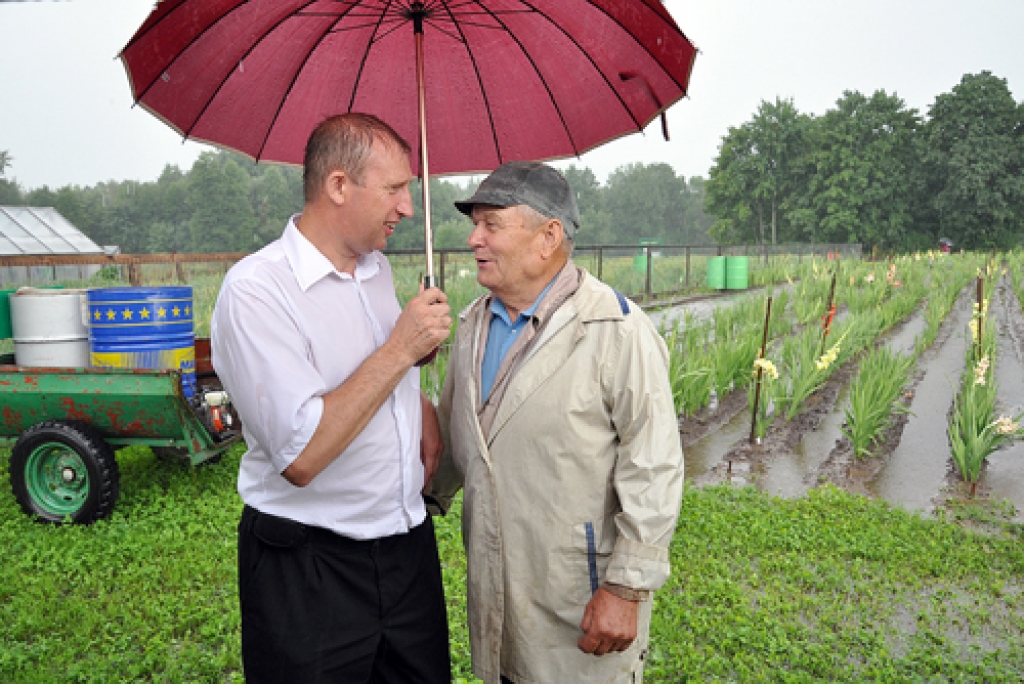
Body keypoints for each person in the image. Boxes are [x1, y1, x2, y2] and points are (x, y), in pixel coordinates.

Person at [211, 113, 452, 684]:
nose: (408, 208)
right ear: (339, 185)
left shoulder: (376, 271)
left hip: (405, 550)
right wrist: (399, 350)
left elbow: (374, 371)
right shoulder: (256, 291)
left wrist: (416, 397)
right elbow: (302, 456)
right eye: (394, 189)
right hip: (309, 568)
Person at [428, 161, 684, 684]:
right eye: (473, 224)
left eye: (491, 224)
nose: (474, 238)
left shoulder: (616, 329)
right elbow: (458, 439)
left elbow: (654, 465)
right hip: (498, 582)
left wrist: (627, 588)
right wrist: (414, 500)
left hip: (581, 595)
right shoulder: (472, 324)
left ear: (548, 237)